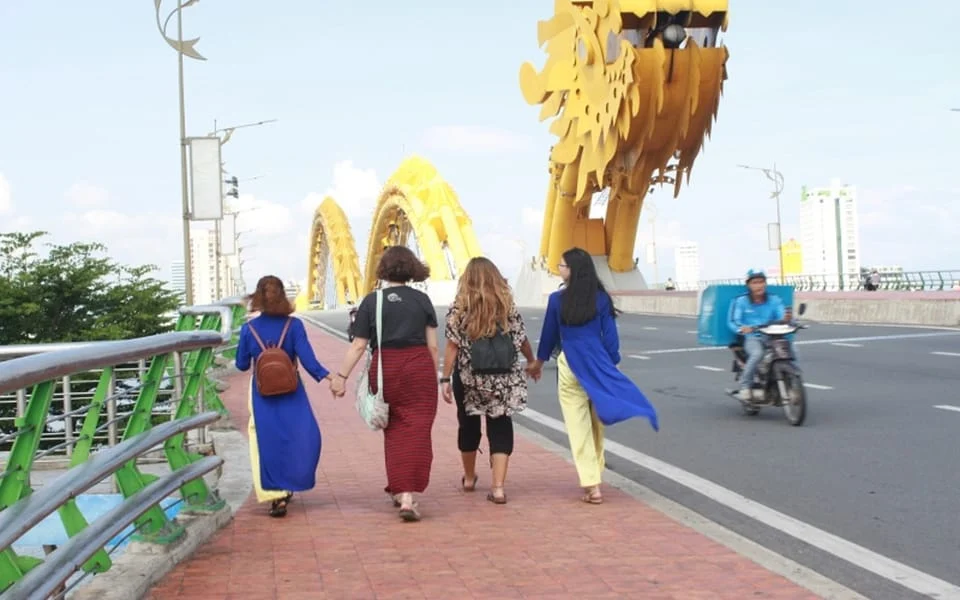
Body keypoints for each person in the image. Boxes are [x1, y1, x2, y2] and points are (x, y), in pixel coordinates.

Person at [527, 247, 659, 504]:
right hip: (597, 362)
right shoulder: (601, 299)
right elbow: (611, 339)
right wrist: (612, 365)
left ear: (573, 271)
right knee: (596, 422)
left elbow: (549, 336)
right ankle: (594, 474)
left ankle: (591, 483)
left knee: (578, 425)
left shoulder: (557, 300)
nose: (560, 269)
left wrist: (538, 363)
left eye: (562, 266)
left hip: (570, 363)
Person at [330, 246, 440, 522]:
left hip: (386, 368)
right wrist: (439, 376)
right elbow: (433, 346)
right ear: (412, 269)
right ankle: (408, 496)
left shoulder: (372, 301)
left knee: (393, 429)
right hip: (418, 366)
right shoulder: (422, 300)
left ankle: (399, 490)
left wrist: (341, 378)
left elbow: (359, 345)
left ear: (384, 270)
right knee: (417, 429)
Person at [235, 275, 335, 518]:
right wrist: (331, 378)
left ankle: (276, 496)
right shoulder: (294, 326)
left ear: (257, 298)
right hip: (292, 390)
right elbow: (309, 361)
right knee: (302, 436)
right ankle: (292, 482)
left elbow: (240, 365)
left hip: (262, 392)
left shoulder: (248, 329)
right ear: (283, 297)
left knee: (269, 441)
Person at [439, 257, 535, 504]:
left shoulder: (459, 309)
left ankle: (469, 478)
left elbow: (452, 347)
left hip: (470, 378)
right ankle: (499, 487)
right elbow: (521, 339)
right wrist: (532, 361)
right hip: (504, 378)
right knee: (501, 425)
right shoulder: (507, 307)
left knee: (468, 425)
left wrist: (445, 378)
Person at [727, 269, 791, 401]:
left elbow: (781, 316)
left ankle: (792, 380)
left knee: (792, 350)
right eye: (755, 282)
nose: (759, 285)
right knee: (757, 353)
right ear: (749, 285)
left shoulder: (774, 299)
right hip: (753, 337)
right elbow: (733, 321)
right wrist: (742, 328)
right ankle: (745, 386)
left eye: (761, 282)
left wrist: (787, 319)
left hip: (772, 336)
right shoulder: (740, 301)